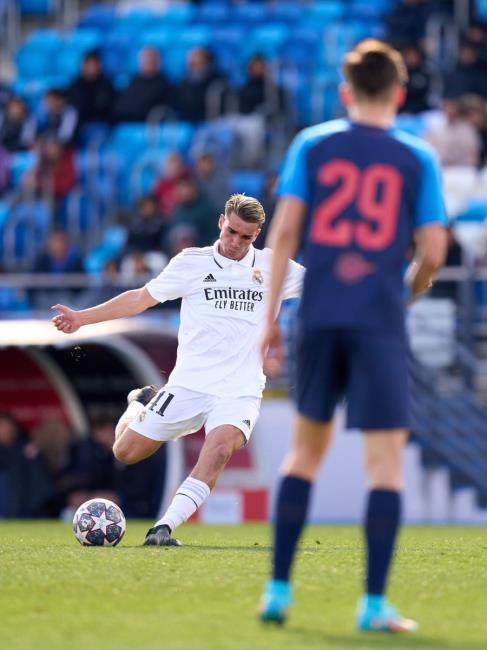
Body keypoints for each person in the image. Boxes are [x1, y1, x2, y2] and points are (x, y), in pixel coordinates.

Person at [258, 39, 447, 632]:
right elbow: (434, 251)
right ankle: (372, 605)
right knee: (384, 465)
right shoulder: (417, 157)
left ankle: (278, 591)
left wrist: (270, 319)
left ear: (345, 92)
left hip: (318, 314)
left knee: (304, 454)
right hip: (378, 318)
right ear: (399, 93)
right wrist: (406, 292)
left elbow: (283, 234)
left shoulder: (311, 145)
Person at [51, 193, 304, 546]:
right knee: (125, 452)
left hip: (240, 388)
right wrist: (82, 318)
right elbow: (140, 298)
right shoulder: (192, 263)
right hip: (189, 383)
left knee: (219, 451)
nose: (235, 241)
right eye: (231, 231)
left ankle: (163, 528)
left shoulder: (274, 267)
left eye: (245, 237)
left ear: (257, 235)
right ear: (221, 222)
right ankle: (139, 404)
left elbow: (327, 286)